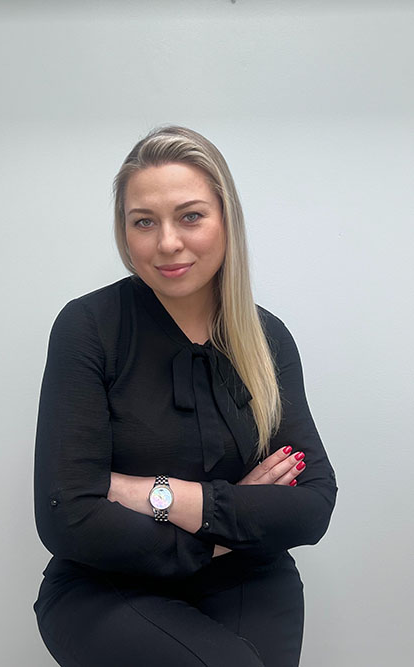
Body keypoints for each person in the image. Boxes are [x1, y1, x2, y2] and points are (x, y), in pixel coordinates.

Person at [32, 125, 338, 667]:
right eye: (144, 221)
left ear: (226, 220)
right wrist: (227, 524)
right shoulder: (88, 328)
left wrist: (160, 494)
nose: (167, 242)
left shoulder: (266, 338)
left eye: (190, 216)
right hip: (105, 584)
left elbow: (311, 505)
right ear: (125, 232)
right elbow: (67, 515)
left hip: (248, 575)